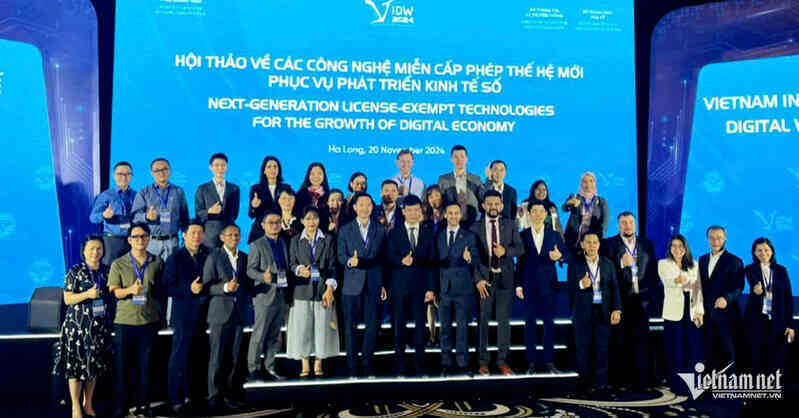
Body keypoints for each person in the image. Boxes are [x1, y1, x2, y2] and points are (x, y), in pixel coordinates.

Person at [108, 223, 164, 418]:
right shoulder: (118, 263)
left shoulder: (157, 261)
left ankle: (144, 405)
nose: (140, 240)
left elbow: (161, 291)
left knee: (146, 367)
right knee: (123, 367)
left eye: (144, 236)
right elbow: (114, 292)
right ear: (129, 240)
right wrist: (131, 290)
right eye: (136, 236)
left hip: (149, 321)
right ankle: (121, 407)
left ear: (149, 239)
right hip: (125, 322)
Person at [600, 212, 657, 390]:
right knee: (620, 341)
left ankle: (642, 381)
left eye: (631, 222)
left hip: (642, 301)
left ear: (635, 224)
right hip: (620, 301)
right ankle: (621, 381)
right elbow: (605, 272)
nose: (628, 225)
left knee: (641, 341)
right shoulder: (608, 244)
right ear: (618, 225)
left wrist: (651, 297)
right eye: (624, 222)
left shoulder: (647, 244)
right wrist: (621, 263)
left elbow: (653, 272)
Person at [471, 190, 523, 375]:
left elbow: (520, 248)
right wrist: (478, 279)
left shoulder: (510, 225)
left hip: (505, 279)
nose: (493, 207)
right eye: (489, 203)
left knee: (503, 321)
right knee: (483, 321)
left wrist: (505, 252)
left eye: (496, 203)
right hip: (484, 281)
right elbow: (472, 257)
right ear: (483, 206)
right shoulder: (474, 227)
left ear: (501, 205)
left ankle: (502, 361)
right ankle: (483, 362)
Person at [61, 235, 113, 418]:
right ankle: (75, 405)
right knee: (75, 367)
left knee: (93, 366)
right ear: (84, 251)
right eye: (91, 248)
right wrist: (87, 294)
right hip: (77, 326)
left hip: (98, 326)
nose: (95, 252)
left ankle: (88, 402)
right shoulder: (75, 271)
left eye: (99, 248)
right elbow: (68, 299)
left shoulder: (107, 270)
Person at [337, 192, 388, 377]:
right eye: (361, 204)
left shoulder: (380, 230)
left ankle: (367, 364)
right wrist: (350, 261)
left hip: (373, 282)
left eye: (368, 204)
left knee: (372, 326)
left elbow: (383, 259)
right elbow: (340, 256)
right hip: (351, 284)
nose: (365, 208)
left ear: (372, 207)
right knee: (349, 327)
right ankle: (352, 367)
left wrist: (383, 284)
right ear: (355, 207)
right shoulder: (345, 229)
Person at [386, 195, 436, 376]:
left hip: (421, 288)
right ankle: (399, 366)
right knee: (399, 327)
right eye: (410, 210)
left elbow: (432, 262)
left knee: (420, 327)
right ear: (404, 212)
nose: (414, 213)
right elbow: (388, 257)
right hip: (400, 287)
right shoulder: (394, 232)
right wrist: (401, 261)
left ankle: (420, 366)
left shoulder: (428, 232)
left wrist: (431, 288)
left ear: (421, 211)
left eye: (417, 210)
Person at [286, 206, 340, 377]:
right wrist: (300, 270)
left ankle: (318, 362)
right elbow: (291, 264)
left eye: (315, 218)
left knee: (322, 327)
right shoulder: (295, 240)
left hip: (323, 290)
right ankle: (304, 363)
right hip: (301, 290)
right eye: (308, 218)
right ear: (302, 221)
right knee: (302, 328)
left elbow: (333, 266)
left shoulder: (328, 239)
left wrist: (330, 288)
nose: (312, 222)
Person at [515, 201, 568, 374]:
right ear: (529, 214)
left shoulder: (554, 235)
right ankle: (530, 363)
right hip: (529, 285)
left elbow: (566, 255)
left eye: (541, 211)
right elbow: (520, 263)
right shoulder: (522, 235)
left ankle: (549, 362)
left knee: (548, 325)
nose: (538, 214)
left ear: (546, 214)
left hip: (549, 286)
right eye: (534, 211)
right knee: (529, 325)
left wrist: (559, 256)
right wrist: (518, 285)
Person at [165, 219, 210, 415]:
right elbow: (167, 286)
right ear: (183, 235)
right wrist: (188, 289)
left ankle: (195, 395)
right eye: (193, 233)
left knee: (198, 355)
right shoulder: (175, 257)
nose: (197, 236)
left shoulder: (208, 254)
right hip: (183, 314)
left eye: (200, 233)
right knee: (179, 356)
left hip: (204, 313)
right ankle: (175, 397)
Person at [568, 233, 621, 396]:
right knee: (583, 349)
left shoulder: (608, 263)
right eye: (588, 242)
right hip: (582, 312)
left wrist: (617, 309)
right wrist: (581, 284)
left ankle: (601, 385)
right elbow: (570, 288)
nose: (592, 245)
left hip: (603, 311)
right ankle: (584, 385)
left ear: (599, 244)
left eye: (595, 242)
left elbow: (615, 287)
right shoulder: (575, 264)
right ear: (582, 245)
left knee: (602, 349)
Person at [204, 223, 249, 413]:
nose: (234, 238)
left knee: (234, 357)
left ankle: (229, 395)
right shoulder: (213, 256)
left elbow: (247, 284)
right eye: (230, 235)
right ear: (222, 237)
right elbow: (207, 287)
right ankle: (214, 396)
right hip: (219, 314)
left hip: (239, 313)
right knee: (217, 357)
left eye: (237, 235)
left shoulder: (244, 257)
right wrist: (224, 288)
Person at [246, 211, 289, 382]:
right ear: (263, 225)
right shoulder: (256, 245)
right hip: (264, 295)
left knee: (275, 336)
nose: (275, 225)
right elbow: (250, 270)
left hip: (281, 294)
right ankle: (253, 369)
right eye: (270, 222)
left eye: (277, 222)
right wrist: (262, 277)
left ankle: (270, 367)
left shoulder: (283, 243)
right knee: (259, 335)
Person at [437, 200, 478, 376]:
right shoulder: (439, 236)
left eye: (456, 213)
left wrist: (469, 258)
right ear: (445, 215)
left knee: (462, 328)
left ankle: (463, 363)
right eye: (450, 213)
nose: (453, 216)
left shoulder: (469, 236)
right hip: (444, 288)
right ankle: (445, 363)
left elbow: (476, 259)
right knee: (444, 328)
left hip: (463, 289)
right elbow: (436, 261)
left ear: (460, 215)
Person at [658, 234, 703, 396]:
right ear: (670, 248)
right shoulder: (663, 264)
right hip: (673, 312)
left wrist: (699, 311)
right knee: (675, 349)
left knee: (691, 348)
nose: (677, 249)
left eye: (680, 246)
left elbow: (697, 289)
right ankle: (676, 383)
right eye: (674, 246)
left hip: (690, 312)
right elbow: (668, 281)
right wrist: (680, 281)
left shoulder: (694, 264)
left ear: (686, 248)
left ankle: (690, 383)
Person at [744, 237, 795, 374]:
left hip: (778, 320)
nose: (763, 253)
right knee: (757, 357)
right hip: (757, 320)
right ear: (754, 253)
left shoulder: (781, 270)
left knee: (776, 358)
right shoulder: (750, 269)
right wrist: (756, 290)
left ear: (772, 251)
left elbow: (788, 298)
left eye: (766, 250)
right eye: (759, 250)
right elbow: (753, 282)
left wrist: (790, 325)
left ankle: (774, 384)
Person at [697, 225, 744, 372]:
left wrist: (726, 298)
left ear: (725, 239)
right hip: (707, 314)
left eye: (719, 238)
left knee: (728, 351)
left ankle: (730, 383)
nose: (715, 241)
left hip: (726, 315)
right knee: (708, 351)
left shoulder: (735, 260)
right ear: (707, 239)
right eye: (711, 238)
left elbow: (738, 286)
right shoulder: (702, 259)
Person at [131, 158, 190, 260]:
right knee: (151, 270)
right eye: (157, 170)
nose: (161, 173)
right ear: (152, 173)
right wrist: (146, 217)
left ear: (170, 171)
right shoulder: (144, 192)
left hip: (172, 241)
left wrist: (186, 240)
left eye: (164, 169)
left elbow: (185, 218)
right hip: (151, 242)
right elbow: (134, 217)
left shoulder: (178, 191)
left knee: (172, 269)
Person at [89, 162, 136, 265]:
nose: (124, 177)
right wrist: (104, 215)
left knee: (131, 271)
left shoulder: (136, 195)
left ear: (131, 176)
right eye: (120, 174)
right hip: (112, 241)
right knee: (110, 271)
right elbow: (93, 218)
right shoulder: (106, 196)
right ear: (114, 176)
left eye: (127, 174)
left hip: (132, 241)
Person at [195, 153, 240, 250]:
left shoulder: (234, 188)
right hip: (210, 236)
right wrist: (209, 212)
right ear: (211, 167)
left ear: (227, 167)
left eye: (223, 165)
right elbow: (198, 213)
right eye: (216, 165)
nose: (220, 168)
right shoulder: (202, 188)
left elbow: (235, 214)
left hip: (229, 235)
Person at [438, 145, 485, 228]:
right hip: (451, 222)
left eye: (462, 156)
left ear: (466, 159)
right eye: (456, 157)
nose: (459, 160)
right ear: (451, 159)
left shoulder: (475, 179)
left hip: (473, 221)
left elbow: (484, 198)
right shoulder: (443, 179)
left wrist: (489, 180)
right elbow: (441, 202)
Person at [562, 172, 609, 252]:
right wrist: (569, 203)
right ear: (581, 184)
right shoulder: (575, 197)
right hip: (574, 239)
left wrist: (598, 237)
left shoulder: (601, 201)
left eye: (591, 181)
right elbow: (564, 208)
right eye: (585, 181)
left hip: (592, 241)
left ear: (595, 183)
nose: (588, 184)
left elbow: (605, 221)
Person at [247, 156, 286, 244]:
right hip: (261, 231)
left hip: (280, 230)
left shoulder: (286, 188)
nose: (272, 169)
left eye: (275, 166)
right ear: (264, 171)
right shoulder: (256, 189)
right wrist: (254, 207)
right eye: (269, 167)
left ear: (279, 170)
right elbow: (251, 214)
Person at [295, 162, 331, 232]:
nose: (316, 176)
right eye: (312, 174)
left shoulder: (329, 196)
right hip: (302, 232)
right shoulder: (300, 194)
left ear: (324, 176)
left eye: (319, 173)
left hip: (324, 232)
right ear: (308, 175)